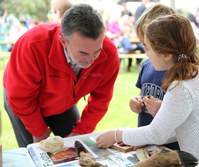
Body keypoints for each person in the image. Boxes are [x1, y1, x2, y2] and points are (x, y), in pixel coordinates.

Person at [96, 13, 199, 165]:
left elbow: (157, 133)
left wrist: (116, 135)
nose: (146, 54)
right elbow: (178, 126)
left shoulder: (182, 85)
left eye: (148, 48)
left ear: (166, 54)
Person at [3, 4, 120, 147]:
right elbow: (20, 96)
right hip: (25, 103)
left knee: (77, 147)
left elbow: (101, 99)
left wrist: (82, 130)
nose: (91, 60)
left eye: (97, 51)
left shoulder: (109, 53)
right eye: (83, 53)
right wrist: (39, 132)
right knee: (35, 151)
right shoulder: (33, 44)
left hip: (64, 103)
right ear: (63, 41)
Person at [129, 3, 179, 150]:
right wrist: (136, 103)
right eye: (142, 44)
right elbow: (142, 94)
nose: (145, 51)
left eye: (148, 45)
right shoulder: (146, 65)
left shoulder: (179, 72)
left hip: (171, 147)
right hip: (145, 141)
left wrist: (164, 111)